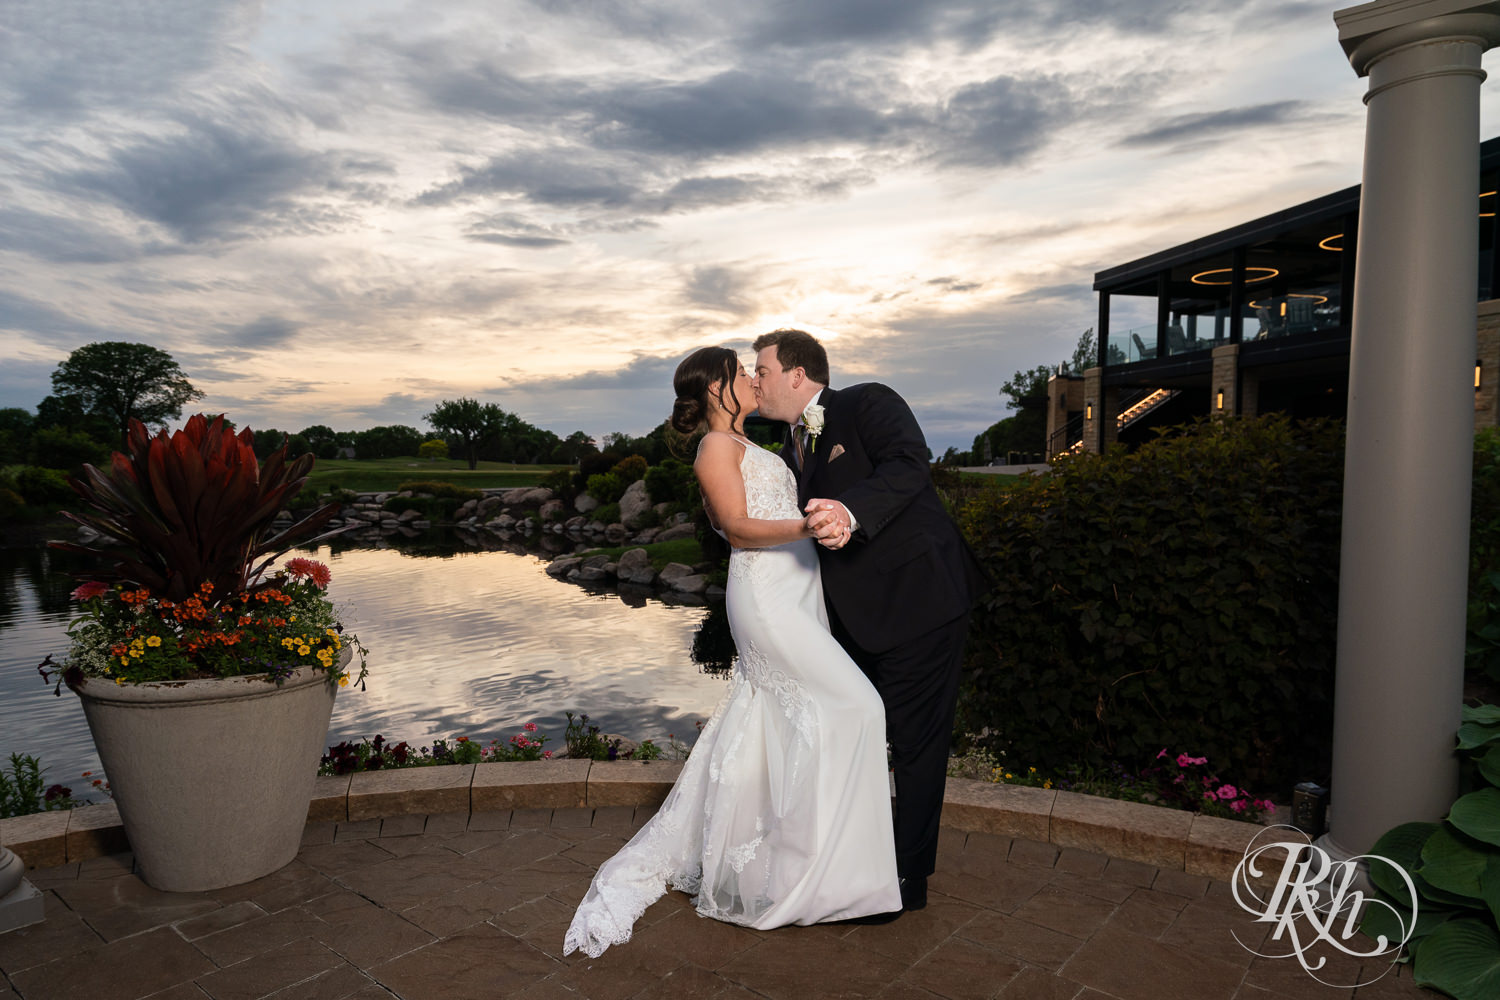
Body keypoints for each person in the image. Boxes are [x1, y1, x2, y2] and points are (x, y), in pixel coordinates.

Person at [562, 347, 900, 958]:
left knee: (789, 723)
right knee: (859, 707)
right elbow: (738, 527)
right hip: (768, 597)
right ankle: (820, 871)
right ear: (717, 388)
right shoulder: (716, 447)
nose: (751, 377)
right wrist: (807, 526)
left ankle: (798, 862)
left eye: (753, 368)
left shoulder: (756, 445)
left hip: (801, 592)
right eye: (741, 371)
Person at [751, 328, 987, 916]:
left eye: (763, 370)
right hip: (851, 623)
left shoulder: (868, 402)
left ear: (797, 374)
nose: (756, 380)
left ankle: (906, 880)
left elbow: (910, 467)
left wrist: (850, 512)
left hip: (921, 601)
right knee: (847, 733)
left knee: (915, 745)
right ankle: (851, 858)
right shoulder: (786, 456)